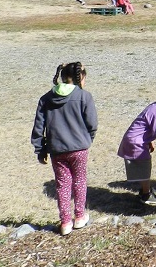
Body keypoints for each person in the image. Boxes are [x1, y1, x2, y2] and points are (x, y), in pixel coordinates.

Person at [31, 62, 97, 235]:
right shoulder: (84, 96)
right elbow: (92, 124)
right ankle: (80, 217)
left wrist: (40, 149)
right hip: (79, 149)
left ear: (61, 77)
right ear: (81, 77)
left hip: (56, 150)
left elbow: (39, 127)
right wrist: (86, 140)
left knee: (62, 184)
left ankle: (65, 222)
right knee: (80, 181)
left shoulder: (45, 98)